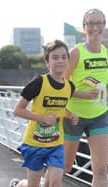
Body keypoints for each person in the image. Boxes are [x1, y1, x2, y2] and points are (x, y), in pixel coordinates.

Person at [11, 39, 78, 187]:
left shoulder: (70, 87)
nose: (60, 61)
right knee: (32, 185)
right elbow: (18, 110)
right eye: (55, 57)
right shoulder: (39, 83)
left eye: (63, 57)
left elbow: (59, 109)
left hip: (56, 143)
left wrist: (70, 115)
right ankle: (18, 185)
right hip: (34, 143)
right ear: (47, 62)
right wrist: (42, 118)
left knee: (55, 183)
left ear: (68, 60)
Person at [63, 8, 108, 187]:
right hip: (73, 116)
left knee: (101, 170)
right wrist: (81, 94)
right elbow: (60, 85)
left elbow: (101, 79)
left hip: (99, 116)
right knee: (64, 166)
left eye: (99, 23)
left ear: (104, 26)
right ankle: (24, 184)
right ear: (84, 27)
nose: (95, 27)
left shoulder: (107, 53)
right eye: (91, 23)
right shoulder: (75, 53)